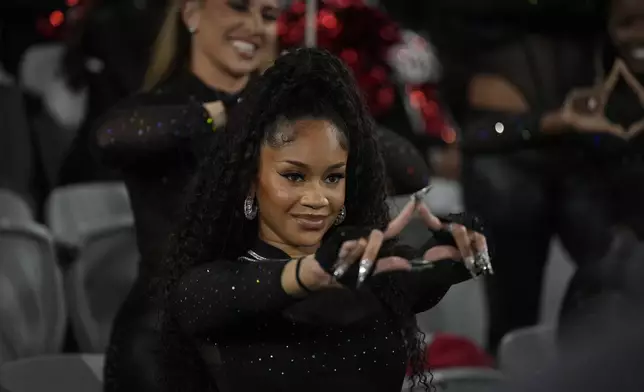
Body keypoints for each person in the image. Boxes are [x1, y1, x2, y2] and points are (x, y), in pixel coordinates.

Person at [157, 48, 492, 392]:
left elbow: (414, 184)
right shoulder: (210, 287)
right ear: (251, 182)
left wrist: (457, 246)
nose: (317, 200)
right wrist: (311, 272)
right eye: (294, 176)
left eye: (332, 178)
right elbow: (202, 300)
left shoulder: (377, 276)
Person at [93, 0, 281, 390]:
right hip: (165, 347)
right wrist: (225, 112)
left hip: (256, 344)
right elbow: (110, 137)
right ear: (192, 14)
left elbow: (409, 169)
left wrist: (332, 106)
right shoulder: (159, 108)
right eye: (238, 6)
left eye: (268, 15)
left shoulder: (280, 119)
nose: (254, 26)